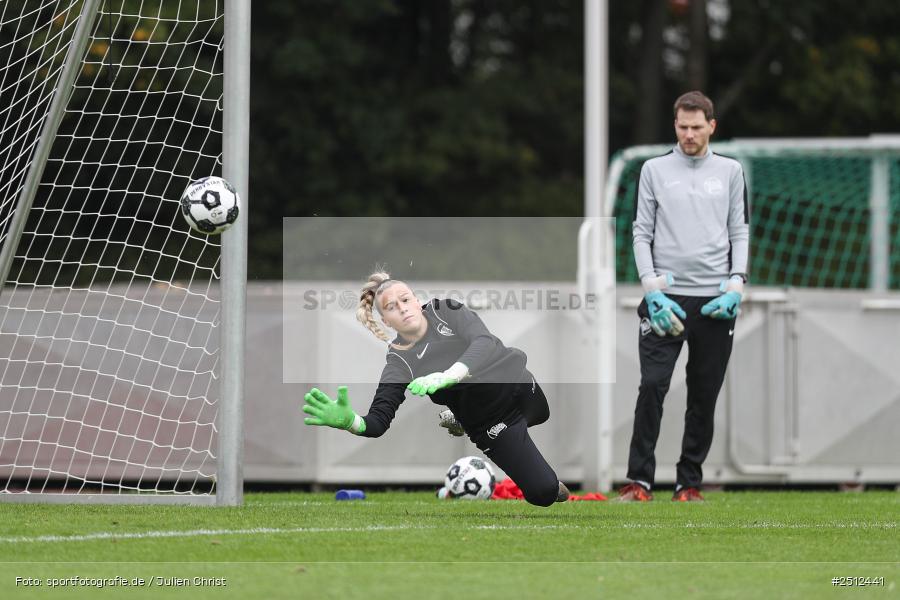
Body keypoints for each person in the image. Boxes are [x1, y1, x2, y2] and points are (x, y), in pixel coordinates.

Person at [301, 270, 569, 507]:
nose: (403, 308)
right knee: (544, 493)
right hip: (492, 422)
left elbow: (484, 341)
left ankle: (460, 418)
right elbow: (378, 421)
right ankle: (466, 420)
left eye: (405, 300)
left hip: (517, 385)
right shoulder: (400, 361)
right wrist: (352, 422)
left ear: (417, 301)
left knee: (543, 413)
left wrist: (450, 375)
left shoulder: (445, 309)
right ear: (386, 321)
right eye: (392, 307)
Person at [617, 90, 750, 503]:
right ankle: (639, 482)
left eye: (696, 127)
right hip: (666, 299)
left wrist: (736, 285)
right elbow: (641, 232)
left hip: (715, 301)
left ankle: (688, 483)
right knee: (652, 386)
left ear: (712, 126)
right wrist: (652, 289)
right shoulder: (654, 170)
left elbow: (739, 231)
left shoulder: (730, 171)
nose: (689, 134)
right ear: (674, 125)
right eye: (682, 126)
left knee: (704, 393)